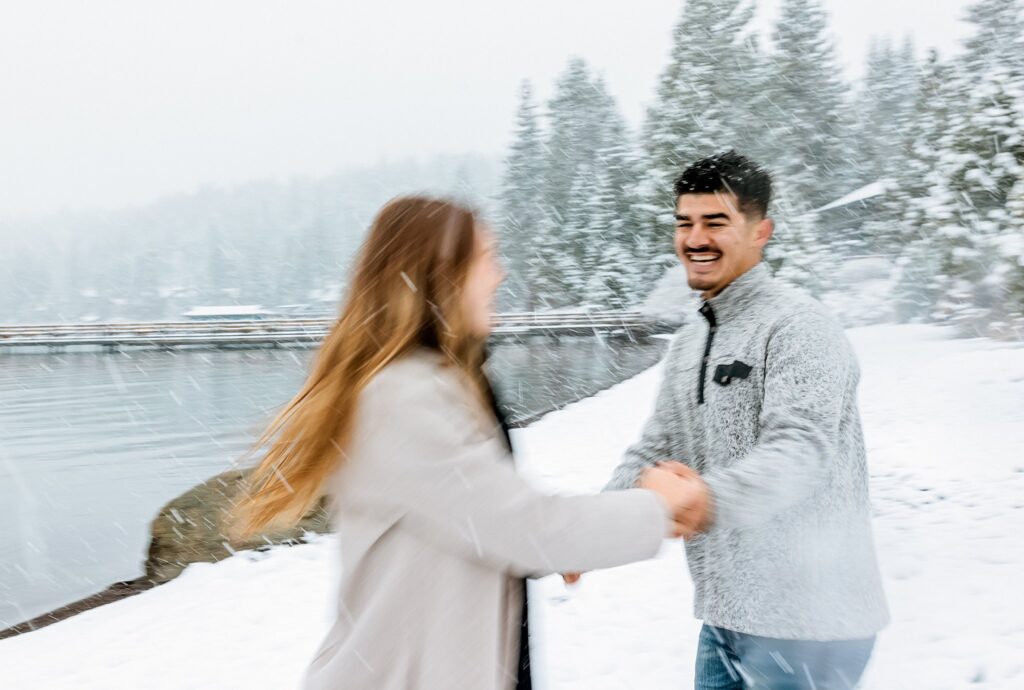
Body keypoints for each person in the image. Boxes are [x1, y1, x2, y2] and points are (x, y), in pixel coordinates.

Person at [237, 195, 703, 690]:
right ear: (443, 274)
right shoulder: (400, 398)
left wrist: (565, 546)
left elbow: (481, 524)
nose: (500, 275)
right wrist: (654, 507)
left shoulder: (437, 382)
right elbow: (521, 527)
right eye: (488, 258)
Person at [601, 152, 890, 689]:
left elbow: (800, 449)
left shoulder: (800, 327)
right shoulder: (691, 340)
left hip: (812, 623)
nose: (695, 238)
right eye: (684, 222)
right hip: (727, 619)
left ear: (761, 231)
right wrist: (597, 527)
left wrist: (706, 500)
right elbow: (656, 447)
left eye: (715, 222)